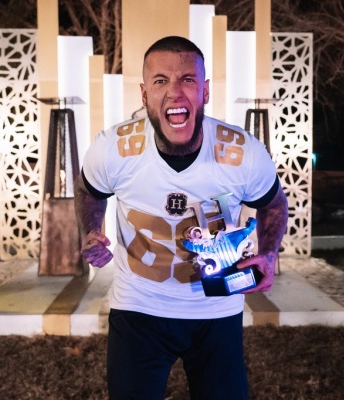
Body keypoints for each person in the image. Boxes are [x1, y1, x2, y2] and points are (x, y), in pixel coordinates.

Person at [74, 35, 289, 400]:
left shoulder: (243, 152)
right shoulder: (113, 148)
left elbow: (274, 204)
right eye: (161, 80)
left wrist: (268, 254)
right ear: (145, 95)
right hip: (139, 306)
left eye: (187, 79)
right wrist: (91, 230)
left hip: (217, 307)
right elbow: (88, 190)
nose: (174, 92)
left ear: (205, 91)